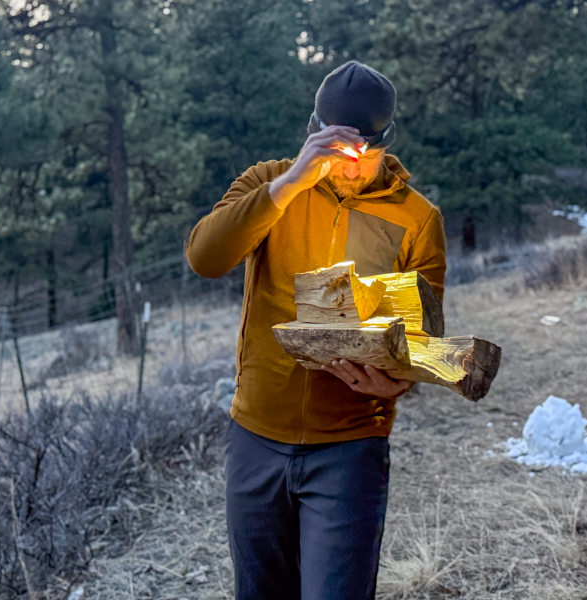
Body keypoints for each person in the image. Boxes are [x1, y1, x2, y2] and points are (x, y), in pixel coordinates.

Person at [185, 61, 447, 600]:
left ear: (385, 140)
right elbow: (204, 258)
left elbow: (419, 338)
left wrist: (398, 382)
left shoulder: (417, 218)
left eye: (364, 156)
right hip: (256, 436)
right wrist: (289, 184)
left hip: (349, 448)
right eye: (337, 156)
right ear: (314, 134)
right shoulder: (268, 183)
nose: (350, 170)